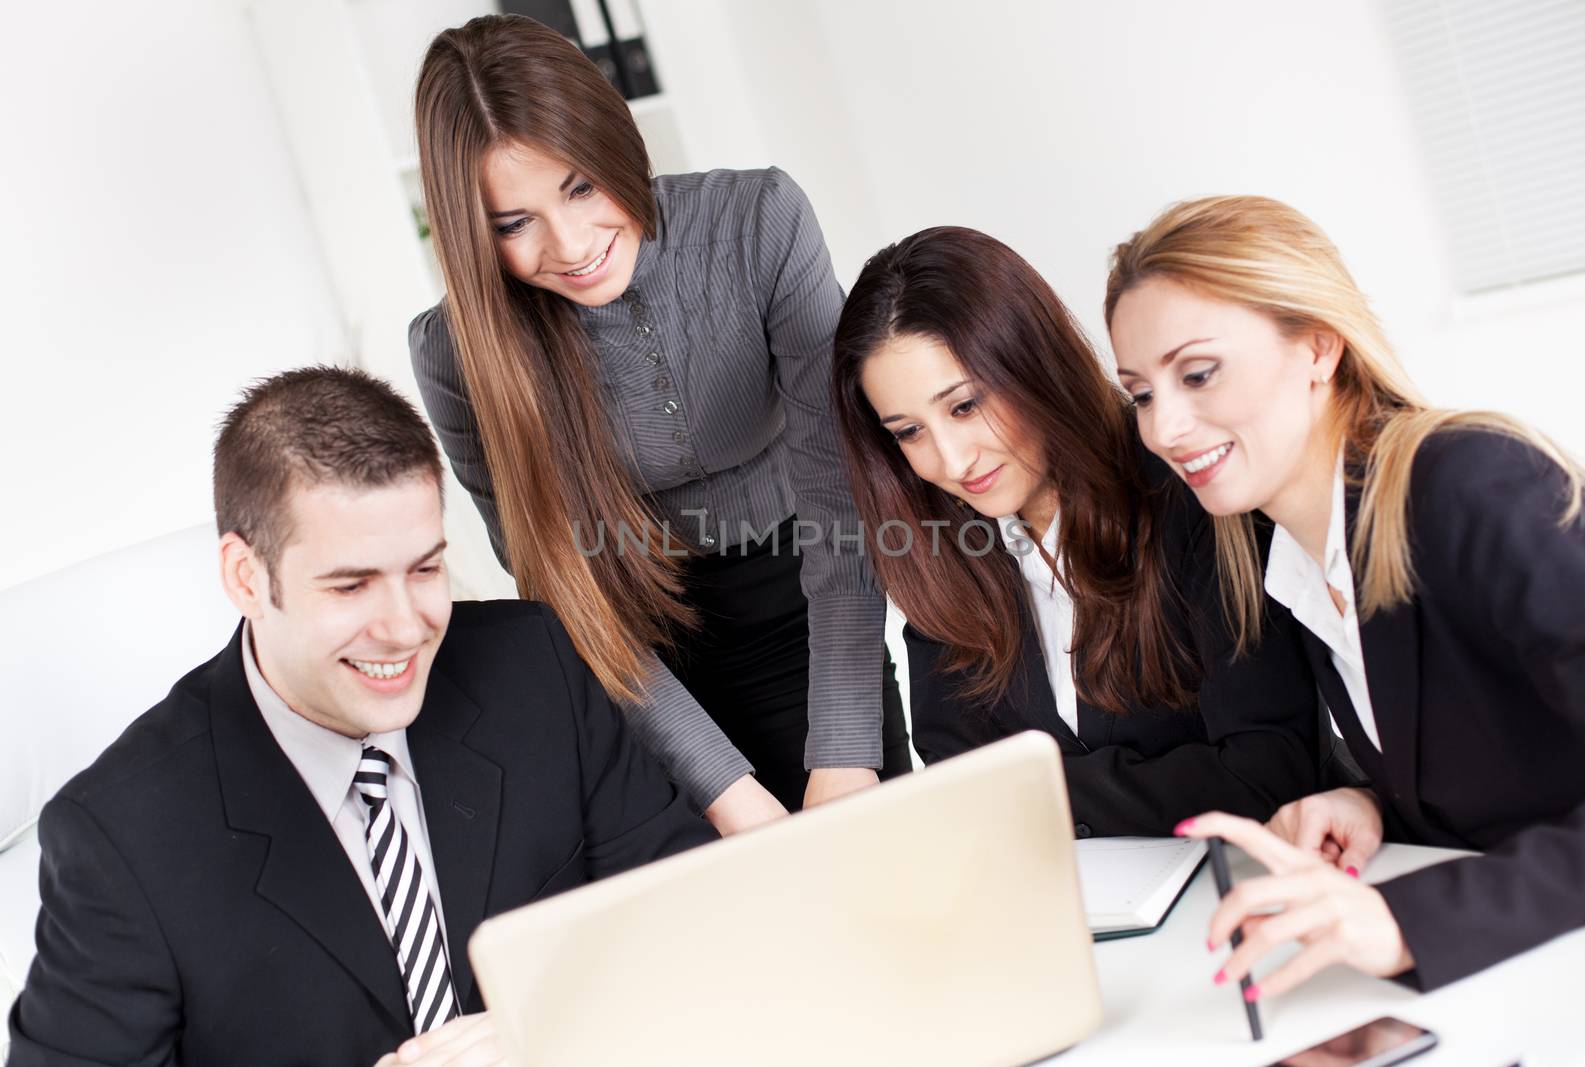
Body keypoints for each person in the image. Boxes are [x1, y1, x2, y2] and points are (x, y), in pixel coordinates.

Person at [6, 367, 715, 1067]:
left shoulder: (533, 667)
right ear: (246, 577)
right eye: (352, 585)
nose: (406, 627)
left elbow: (688, 905)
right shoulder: (121, 841)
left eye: (425, 569)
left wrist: (549, 1029)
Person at [408, 14, 910, 835]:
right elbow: (568, 594)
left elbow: (842, 497)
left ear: (615, 139)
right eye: (513, 223)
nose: (570, 244)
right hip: (637, 668)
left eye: (578, 185)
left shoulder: (760, 223)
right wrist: (725, 791)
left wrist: (845, 751)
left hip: (812, 614)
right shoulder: (456, 354)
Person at [1107, 194, 1585, 994]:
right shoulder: (1290, 552)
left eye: (1198, 373)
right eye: (1141, 393)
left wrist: (1410, 919)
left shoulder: (1468, 483)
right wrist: (1370, 800)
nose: (1163, 429)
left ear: (1318, 347)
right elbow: (1505, 755)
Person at [829, 226, 1319, 838]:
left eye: (963, 406)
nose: (952, 461)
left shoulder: (1189, 489)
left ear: (1030, 363)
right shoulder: (946, 549)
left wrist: (1038, 792)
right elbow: (960, 782)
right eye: (908, 432)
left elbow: (1266, 775)